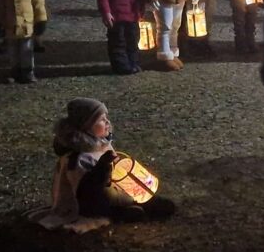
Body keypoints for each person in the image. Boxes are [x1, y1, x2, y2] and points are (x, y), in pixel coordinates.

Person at [29, 98, 175, 232]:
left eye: (106, 118)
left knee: (143, 199)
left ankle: (140, 204)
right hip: (89, 202)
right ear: (86, 126)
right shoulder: (77, 158)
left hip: (111, 191)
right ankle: (120, 213)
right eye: (101, 120)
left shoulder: (100, 145)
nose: (107, 122)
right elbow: (86, 191)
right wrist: (103, 167)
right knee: (102, 206)